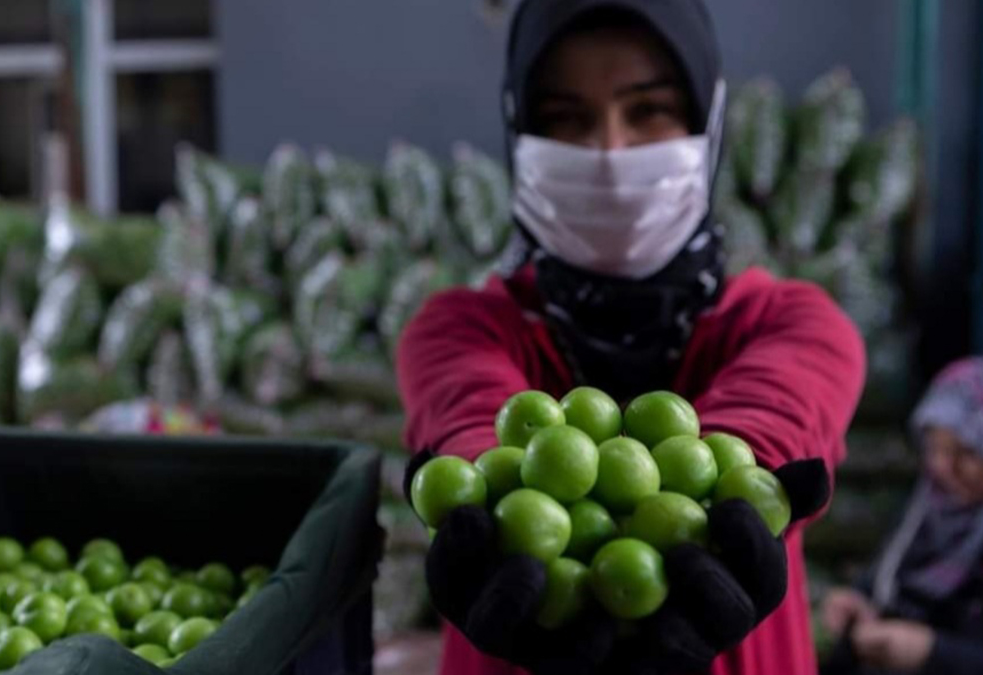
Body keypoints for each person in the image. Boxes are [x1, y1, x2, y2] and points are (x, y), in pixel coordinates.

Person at [397, 1, 867, 674]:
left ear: (707, 122)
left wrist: (740, 486)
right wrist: (485, 496)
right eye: (565, 117)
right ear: (518, 133)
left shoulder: (795, 321)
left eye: (648, 110)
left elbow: (775, 418)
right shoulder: (457, 326)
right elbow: (471, 416)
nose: (610, 152)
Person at [820, 357, 983, 675]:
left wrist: (932, 650)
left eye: (963, 452)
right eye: (933, 447)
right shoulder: (929, 506)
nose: (938, 467)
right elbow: (883, 581)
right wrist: (858, 603)